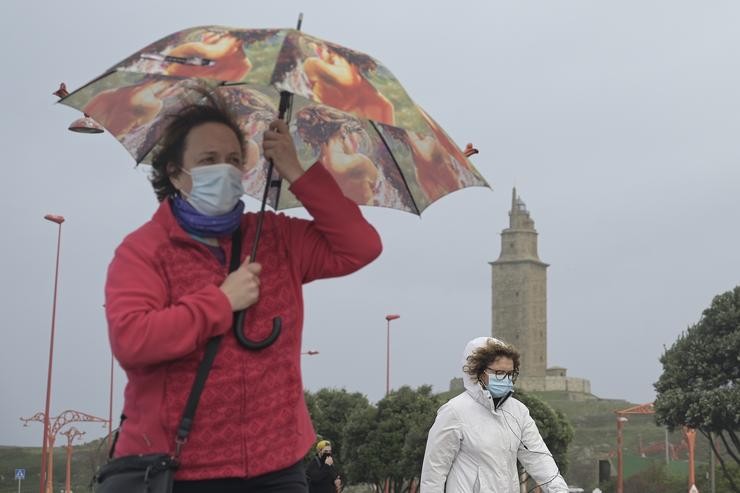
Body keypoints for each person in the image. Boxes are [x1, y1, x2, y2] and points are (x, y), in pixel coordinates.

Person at [104, 91, 382, 492]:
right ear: (175, 172)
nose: (225, 170)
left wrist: (297, 171)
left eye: (234, 160)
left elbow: (360, 246)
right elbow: (132, 339)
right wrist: (219, 302)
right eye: (207, 160)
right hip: (180, 470)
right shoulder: (144, 250)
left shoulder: (276, 238)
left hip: (278, 467)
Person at [420, 337, 569, 493]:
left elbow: (539, 457)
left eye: (510, 373)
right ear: (478, 371)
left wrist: (559, 490)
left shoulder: (519, 412)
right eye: (498, 372)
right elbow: (434, 472)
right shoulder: (454, 411)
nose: (505, 378)